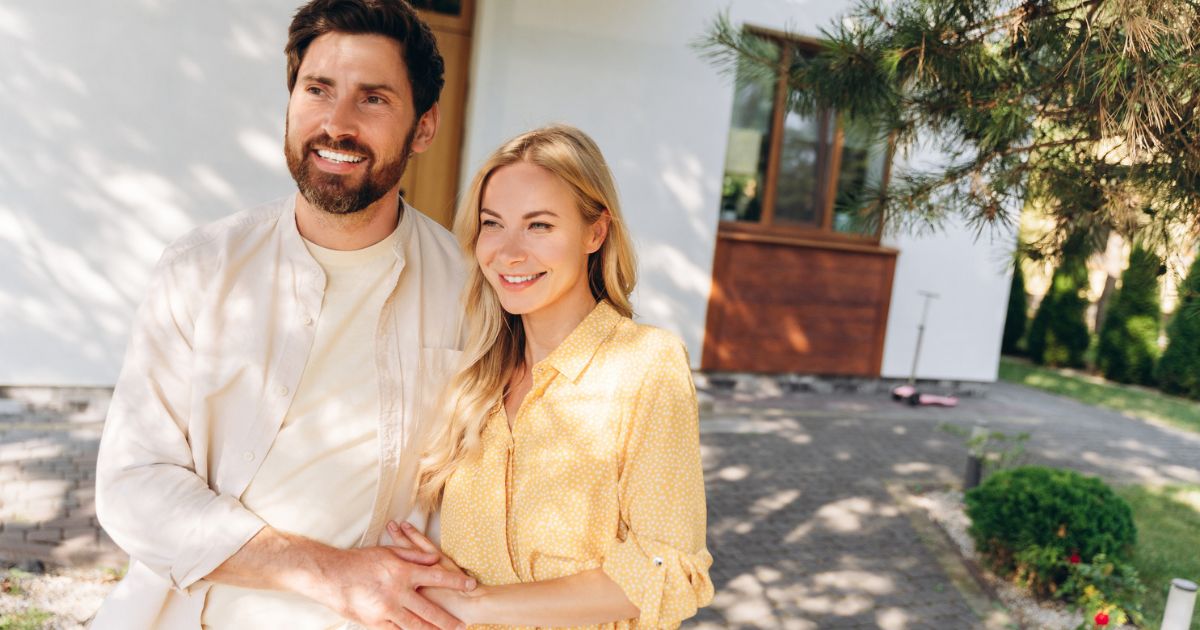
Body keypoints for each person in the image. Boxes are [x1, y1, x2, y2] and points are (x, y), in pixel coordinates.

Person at [92, 1, 475, 628]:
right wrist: (332, 573)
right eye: (318, 90)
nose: (337, 124)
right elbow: (133, 483)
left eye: (373, 99)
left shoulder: (471, 290)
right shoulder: (200, 268)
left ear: (424, 127)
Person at [395, 124, 714, 628]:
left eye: (539, 225)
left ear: (595, 231)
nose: (508, 251)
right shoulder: (473, 377)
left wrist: (478, 604)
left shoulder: (647, 363)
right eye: (492, 223)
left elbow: (669, 565)